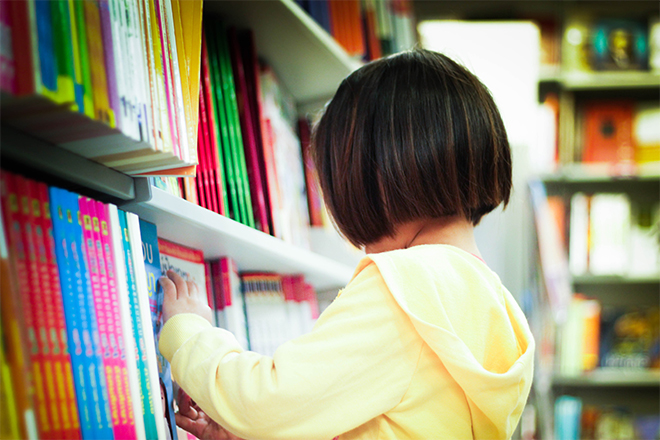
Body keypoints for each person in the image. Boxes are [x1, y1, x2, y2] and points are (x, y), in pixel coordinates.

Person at [159, 48, 535, 440]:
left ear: (379, 180)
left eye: (339, 189)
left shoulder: (407, 288)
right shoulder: (496, 306)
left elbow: (267, 402)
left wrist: (191, 334)